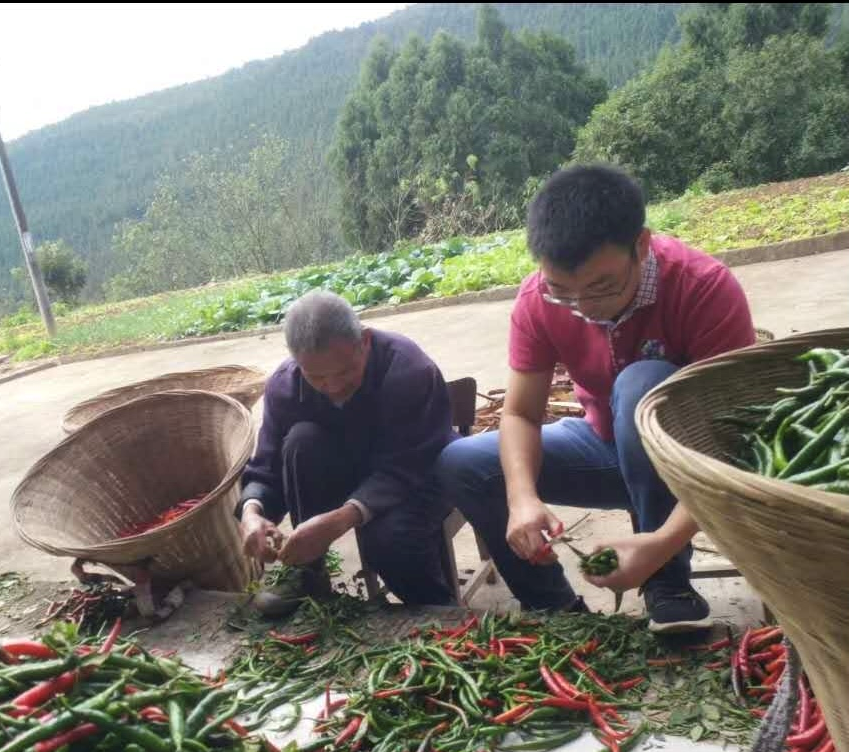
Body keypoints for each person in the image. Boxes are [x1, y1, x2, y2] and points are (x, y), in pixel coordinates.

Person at [434, 164, 756, 633]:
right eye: (563, 292)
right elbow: (520, 413)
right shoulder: (537, 299)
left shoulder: (703, 287)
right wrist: (522, 498)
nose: (584, 307)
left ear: (640, 246)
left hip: (688, 464)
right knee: (462, 463)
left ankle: (667, 583)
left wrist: (663, 542)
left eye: (601, 287)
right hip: (602, 446)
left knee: (642, 383)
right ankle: (556, 607)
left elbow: (737, 441)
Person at [237, 290, 456, 617]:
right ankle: (308, 573)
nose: (333, 386)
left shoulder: (407, 368)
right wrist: (252, 512)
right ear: (297, 362)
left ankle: (440, 613)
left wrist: (343, 517)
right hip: (350, 472)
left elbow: (408, 466)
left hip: (419, 475)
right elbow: (267, 465)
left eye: (344, 371)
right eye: (316, 377)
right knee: (301, 440)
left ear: (364, 341)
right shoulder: (285, 386)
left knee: (387, 538)